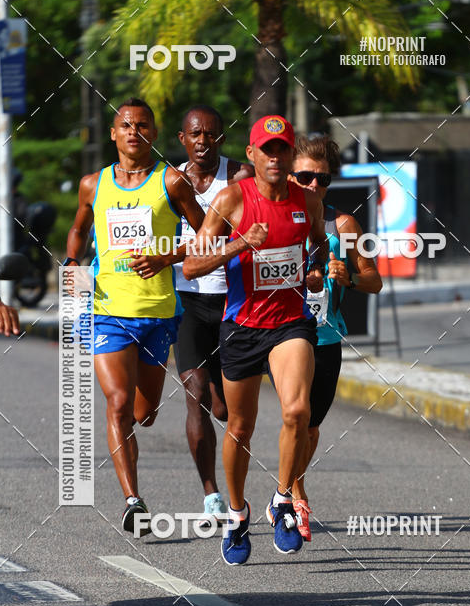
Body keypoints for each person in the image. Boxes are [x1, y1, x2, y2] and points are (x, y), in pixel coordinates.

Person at [183, 114, 328, 565]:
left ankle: (282, 500)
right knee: (240, 427)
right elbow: (191, 266)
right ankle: (237, 512)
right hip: (242, 326)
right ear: (251, 154)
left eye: (283, 149)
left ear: (290, 154)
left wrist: (317, 271)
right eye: (267, 150)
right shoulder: (231, 199)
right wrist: (239, 244)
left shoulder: (307, 200)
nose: (275, 157)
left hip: (290, 323)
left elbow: (317, 245)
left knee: (297, 411)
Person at [65, 97, 204, 533]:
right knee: (118, 404)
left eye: (142, 125)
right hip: (107, 310)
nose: (133, 131)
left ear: (154, 134)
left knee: (144, 413)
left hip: (159, 313)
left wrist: (168, 258)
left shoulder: (173, 181)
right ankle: (132, 500)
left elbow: (207, 236)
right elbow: (78, 227)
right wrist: (72, 264)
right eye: (126, 124)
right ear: (113, 133)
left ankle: (134, 475)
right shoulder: (94, 184)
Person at [287, 134, 382, 540]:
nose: (313, 186)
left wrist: (352, 277)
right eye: (304, 177)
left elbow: (374, 281)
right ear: (289, 175)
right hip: (283, 334)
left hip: (326, 335)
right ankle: (292, 492)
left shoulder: (344, 225)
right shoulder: (272, 219)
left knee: (310, 427)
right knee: (296, 413)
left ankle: (292, 484)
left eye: (322, 180)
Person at [173, 105, 253, 529]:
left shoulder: (241, 177)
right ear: (183, 139)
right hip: (188, 301)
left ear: (222, 139)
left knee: (224, 408)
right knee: (195, 392)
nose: (203, 141)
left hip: (231, 304)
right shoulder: (171, 180)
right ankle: (211, 494)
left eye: (211, 135)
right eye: (195, 134)